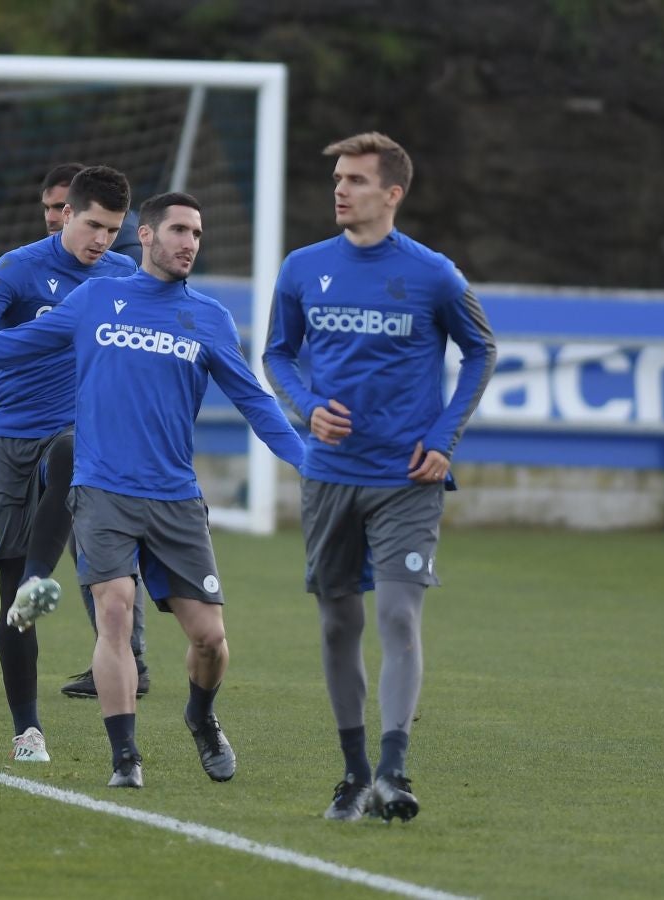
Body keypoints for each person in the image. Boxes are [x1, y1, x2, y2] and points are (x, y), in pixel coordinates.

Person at [0, 192, 305, 789]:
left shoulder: (208, 317)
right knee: (114, 611)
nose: (190, 243)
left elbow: (256, 402)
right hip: (102, 488)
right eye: (179, 230)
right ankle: (124, 757)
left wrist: (309, 462)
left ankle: (201, 715)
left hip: (175, 496)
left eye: (197, 233)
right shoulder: (98, 298)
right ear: (147, 235)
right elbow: (14, 342)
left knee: (209, 638)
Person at [263, 132, 496, 823]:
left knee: (397, 614)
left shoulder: (433, 274)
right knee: (339, 623)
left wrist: (443, 439)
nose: (340, 189)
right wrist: (307, 408)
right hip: (329, 475)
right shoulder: (303, 267)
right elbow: (277, 355)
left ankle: (394, 772)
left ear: (392, 193)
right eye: (338, 178)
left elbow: (480, 351)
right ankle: (354, 775)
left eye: (356, 180)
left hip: (406, 478)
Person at [0, 166, 137, 763]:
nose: (101, 240)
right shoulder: (19, 268)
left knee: (71, 455)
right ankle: (28, 730)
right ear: (66, 214)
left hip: (80, 436)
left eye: (112, 230)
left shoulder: (124, 276)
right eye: (92, 225)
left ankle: (52, 582)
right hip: (9, 440)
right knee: (12, 598)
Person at [39, 162, 151, 699]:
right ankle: (123, 653)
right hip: (52, 427)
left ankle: (131, 658)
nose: (52, 217)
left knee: (102, 542)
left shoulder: (123, 273)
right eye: (47, 208)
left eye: (107, 227)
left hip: (100, 431)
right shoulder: (32, 265)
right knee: (83, 543)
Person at [42, 162, 143, 265]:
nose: (50, 218)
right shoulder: (35, 258)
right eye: (46, 208)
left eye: (60, 207)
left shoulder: (129, 254)